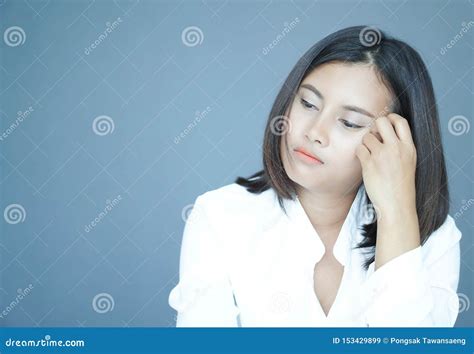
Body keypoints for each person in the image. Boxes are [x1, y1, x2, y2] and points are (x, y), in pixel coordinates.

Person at [168, 25, 462, 327]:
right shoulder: (219, 215)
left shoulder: (436, 237)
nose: (314, 132)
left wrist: (397, 215)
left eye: (349, 122)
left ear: (396, 143)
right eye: (308, 104)